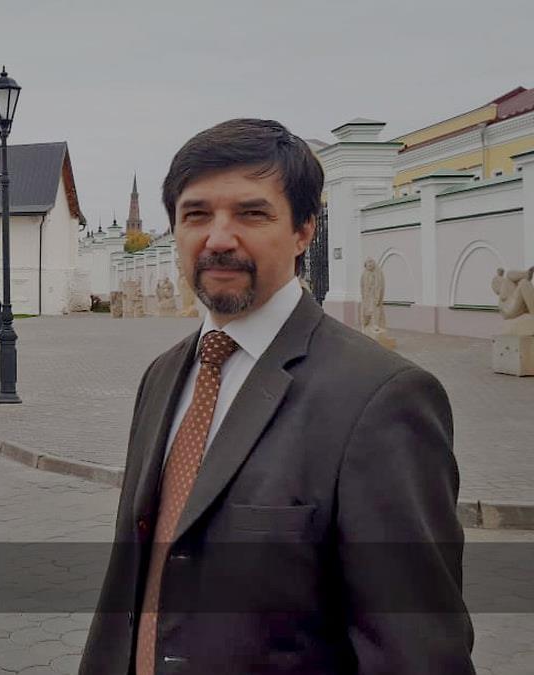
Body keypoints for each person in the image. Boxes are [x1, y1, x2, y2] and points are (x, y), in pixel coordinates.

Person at [80, 119, 471, 674]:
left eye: (251, 213)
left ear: (304, 230)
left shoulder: (381, 400)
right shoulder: (163, 377)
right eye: (196, 215)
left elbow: (417, 651)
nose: (218, 238)